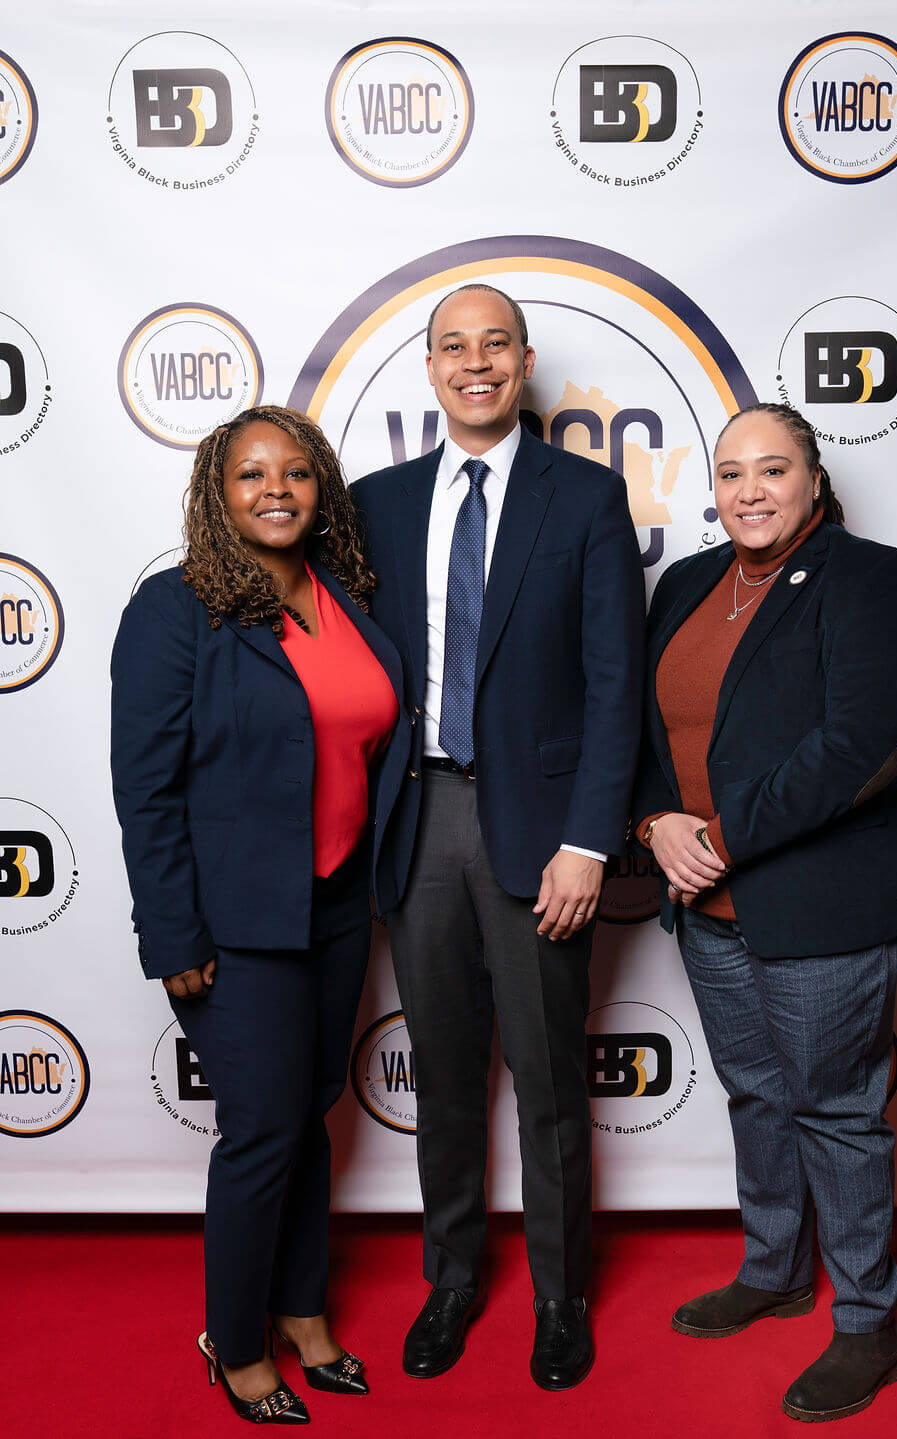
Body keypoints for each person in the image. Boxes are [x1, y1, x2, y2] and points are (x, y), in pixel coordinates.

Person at [350, 284, 645, 1390]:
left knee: (550, 1075)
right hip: (419, 815)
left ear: (523, 362)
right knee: (443, 1073)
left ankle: (562, 1295)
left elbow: (615, 685)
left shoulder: (587, 497)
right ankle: (453, 1276)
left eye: (495, 344)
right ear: (430, 369)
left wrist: (588, 840)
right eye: (452, 347)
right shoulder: (377, 504)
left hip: (542, 829)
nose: (474, 363)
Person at [633, 402, 897, 1424]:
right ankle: (775, 1268)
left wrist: (719, 838)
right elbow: (642, 728)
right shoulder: (685, 583)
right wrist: (653, 822)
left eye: (772, 468)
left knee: (834, 1109)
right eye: (730, 472)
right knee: (756, 1094)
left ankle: (868, 1319)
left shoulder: (870, 578)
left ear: (812, 479)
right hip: (705, 904)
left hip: (821, 898)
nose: (749, 489)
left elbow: (860, 743)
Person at [111, 404, 408, 1425]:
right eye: (250, 473)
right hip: (234, 923)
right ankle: (235, 1342)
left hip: (337, 904)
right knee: (263, 1130)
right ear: (217, 493)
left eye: (295, 471)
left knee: (310, 1116)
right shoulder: (175, 609)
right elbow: (146, 791)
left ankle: (304, 1310)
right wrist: (172, 932)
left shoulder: (345, 598)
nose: (276, 489)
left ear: (321, 489)